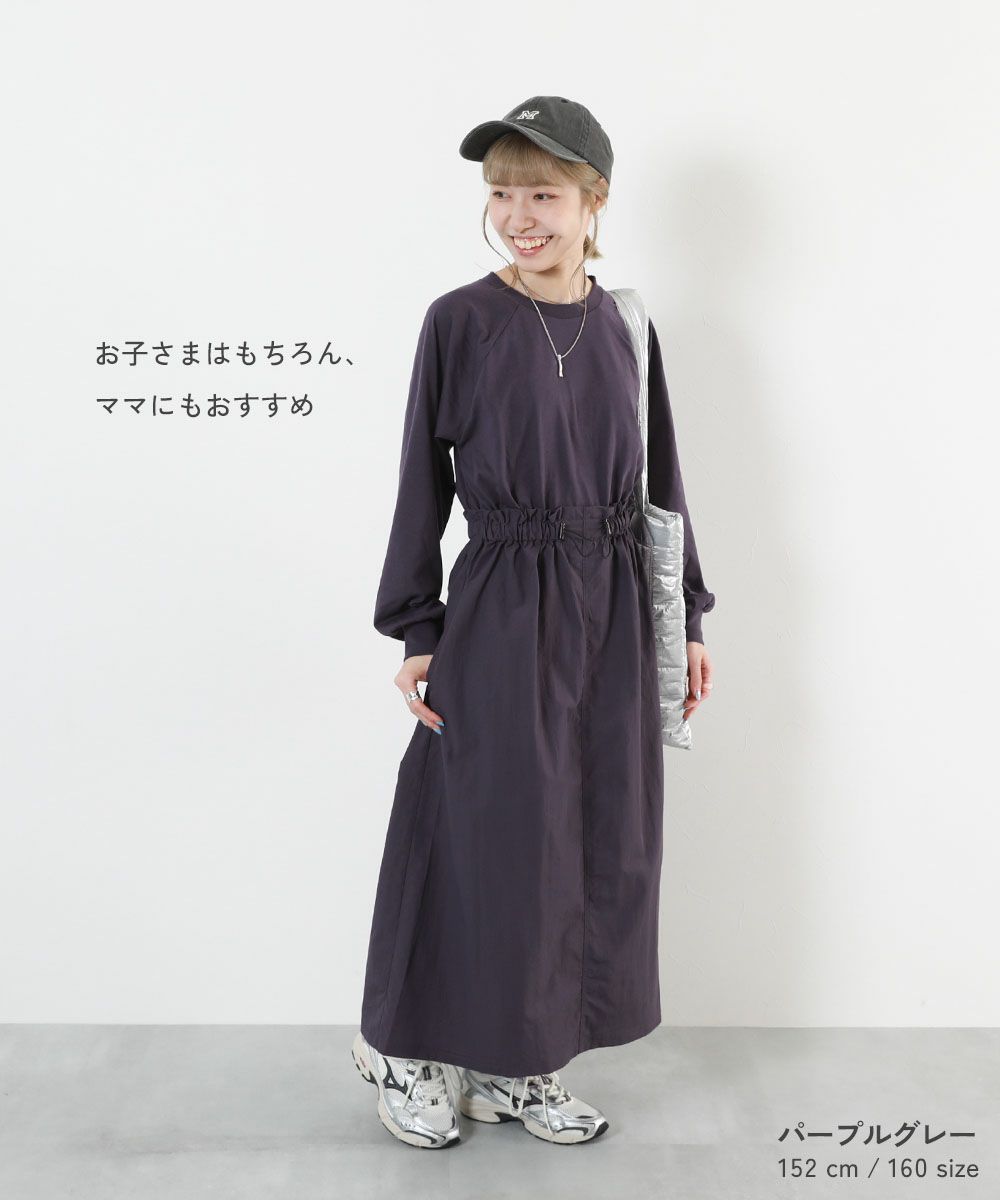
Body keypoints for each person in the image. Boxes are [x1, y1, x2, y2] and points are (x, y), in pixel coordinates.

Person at [352, 95, 716, 1149]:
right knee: (478, 830)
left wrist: (689, 615)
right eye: (503, 194)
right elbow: (420, 482)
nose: (520, 216)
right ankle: (405, 1050)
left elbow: (660, 483)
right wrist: (417, 627)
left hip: (613, 608)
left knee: (585, 838)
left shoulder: (627, 326)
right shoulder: (460, 321)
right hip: (505, 601)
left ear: (593, 201)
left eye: (543, 195)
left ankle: (520, 1061)